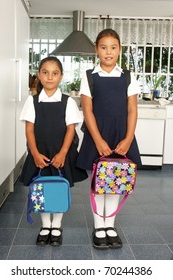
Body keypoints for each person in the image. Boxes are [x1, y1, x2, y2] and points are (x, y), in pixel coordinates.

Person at [77, 29, 142, 249]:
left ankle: (110, 225)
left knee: (116, 182)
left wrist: (128, 139)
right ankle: (99, 226)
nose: (108, 52)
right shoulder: (88, 77)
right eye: (103, 47)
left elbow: (132, 110)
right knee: (99, 184)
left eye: (113, 47)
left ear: (119, 50)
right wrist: (97, 141)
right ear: (96, 49)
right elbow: (88, 111)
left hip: (121, 137)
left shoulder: (128, 77)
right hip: (98, 137)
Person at [20, 56, 88, 246]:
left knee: (58, 188)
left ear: (61, 76)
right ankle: (45, 225)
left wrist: (63, 153)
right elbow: (29, 129)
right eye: (45, 72)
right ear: (39, 76)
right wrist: (34, 153)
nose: (50, 77)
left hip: (61, 154)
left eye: (55, 73)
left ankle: (56, 225)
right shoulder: (32, 102)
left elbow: (70, 129)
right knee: (41, 188)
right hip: (39, 154)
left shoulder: (68, 102)